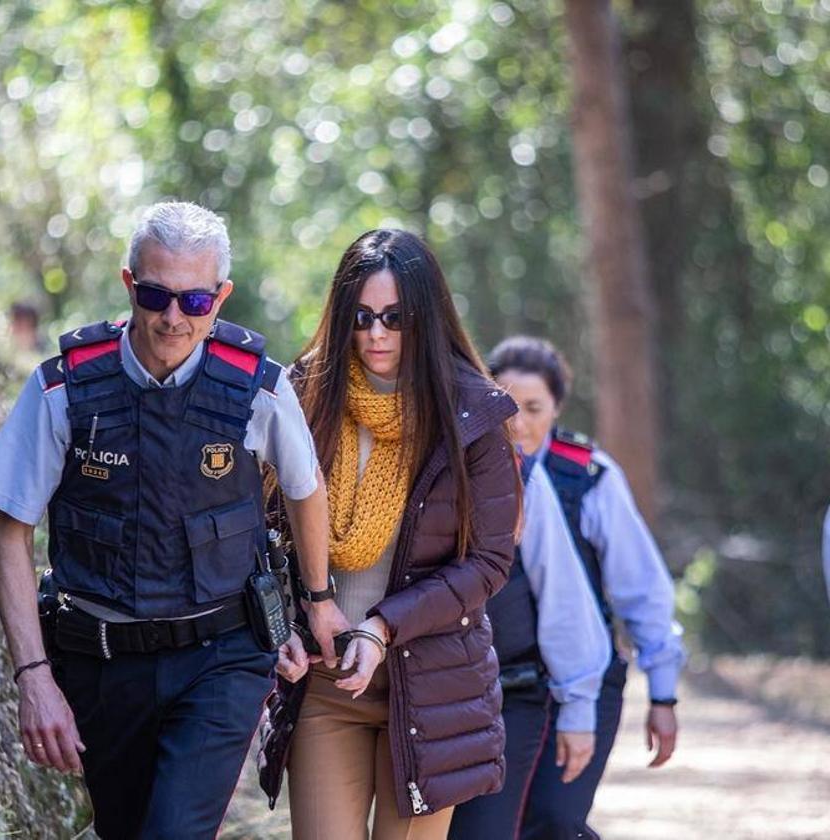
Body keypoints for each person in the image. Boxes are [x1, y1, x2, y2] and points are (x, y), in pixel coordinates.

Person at [0, 201, 348, 840]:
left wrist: (317, 600)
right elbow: (12, 531)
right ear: (129, 285)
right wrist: (32, 676)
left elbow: (308, 492)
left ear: (220, 297)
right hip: (99, 662)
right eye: (156, 295)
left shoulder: (260, 387)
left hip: (222, 657)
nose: (173, 317)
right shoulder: (64, 388)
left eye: (195, 302)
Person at [274, 229, 522, 840]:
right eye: (361, 317)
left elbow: (489, 562)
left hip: (431, 684)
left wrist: (383, 626)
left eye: (395, 317)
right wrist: (283, 624)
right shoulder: (302, 394)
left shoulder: (473, 414)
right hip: (328, 678)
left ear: (427, 317)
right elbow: (265, 530)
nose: (377, 334)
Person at [487, 335, 686, 840]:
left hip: (585, 681)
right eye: (508, 406)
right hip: (500, 682)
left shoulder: (589, 477)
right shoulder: (475, 471)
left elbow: (642, 590)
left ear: (556, 407)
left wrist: (663, 697)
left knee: (554, 821)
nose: (520, 422)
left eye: (534, 407)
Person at [448, 456, 610, 839]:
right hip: (406, 693)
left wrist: (579, 709)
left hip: (507, 695)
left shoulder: (521, 474)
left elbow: (563, 600)